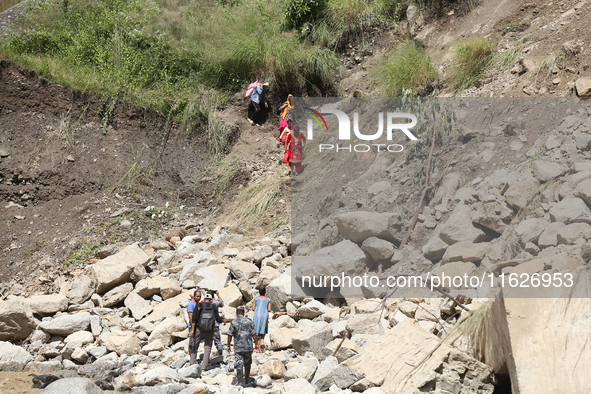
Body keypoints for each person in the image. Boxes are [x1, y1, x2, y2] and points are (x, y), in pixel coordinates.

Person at [189, 293, 226, 370]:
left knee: (195, 347)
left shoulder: (199, 305)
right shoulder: (213, 306)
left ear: (204, 299)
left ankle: (192, 364)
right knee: (207, 348)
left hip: (199, 329)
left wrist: (192, 330)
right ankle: (204, 367)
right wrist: (223, 320)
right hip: (210, 331)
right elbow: (218, 319)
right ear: (211, 300)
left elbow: (194, 318)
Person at [227, 306, 260, 387]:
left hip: (238, 347)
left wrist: (228, 345)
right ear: (244, 313)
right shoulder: (249, 321)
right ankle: (247, 379)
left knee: (239, 363)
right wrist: (256, 344)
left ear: (236, 313)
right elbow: (254, 333)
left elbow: (230, 335)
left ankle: (240, 382)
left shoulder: (233, 322)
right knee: (248, 362)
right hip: (248, 346)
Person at [251, 286, 271, 352]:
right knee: (263, 328)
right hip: (264, 314)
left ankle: (257, 347)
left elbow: (253, 308)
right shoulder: (268, 299)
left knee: (256, 330)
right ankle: (262, 341)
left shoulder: (256, 299)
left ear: (259, 292)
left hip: (257, 315)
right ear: (265, 292)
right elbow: (269, 309)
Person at [208, 290, 225, 356]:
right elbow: (222, 303)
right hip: (215, 323)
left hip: (206, 324)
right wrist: (218, 295)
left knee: (208, 339)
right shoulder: (215, 302)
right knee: (217, 338)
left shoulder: (204, 302)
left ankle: (207, 353)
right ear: (213, 296)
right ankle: (219, 348)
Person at [186, 290, 201, 359]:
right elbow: (190, 316)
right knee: (191, 343)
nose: (199, 298)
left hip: (198, 326)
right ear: (194, 296)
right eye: (197, 296)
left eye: (200, 296)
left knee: (196, 343)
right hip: (192, 327)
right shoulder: (191, 304)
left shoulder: (198, 304)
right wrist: (193, 328)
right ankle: (192, 358)